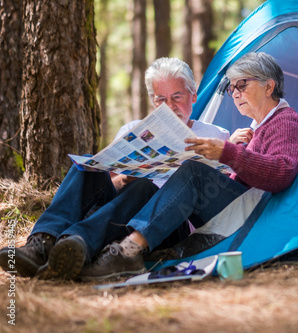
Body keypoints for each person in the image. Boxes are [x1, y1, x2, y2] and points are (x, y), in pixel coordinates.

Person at [77, 52, 298, 281]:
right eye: (231, 88)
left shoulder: (284, 120)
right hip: (238, 212)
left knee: (193, 171)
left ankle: (127, 251)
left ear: (269, 86)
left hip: (254, 218)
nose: (235, 93)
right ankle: (89, 245)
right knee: (169, 177)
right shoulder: (258, 126)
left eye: (242, 85)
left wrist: (227, 152)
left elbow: (283, 172)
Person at [0, 57, 229, 280]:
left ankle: (76, 242)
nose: (170, 106)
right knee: (88, 166)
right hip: (121, 215)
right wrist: (123, 179)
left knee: (145, 188)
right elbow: (110, 185)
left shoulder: (215, 136)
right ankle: (43, 242)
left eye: (177, 97)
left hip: (165, 227)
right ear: (152, 101)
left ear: (194, 95)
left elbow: (214, 196)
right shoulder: (133, 129)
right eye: (161, 99)